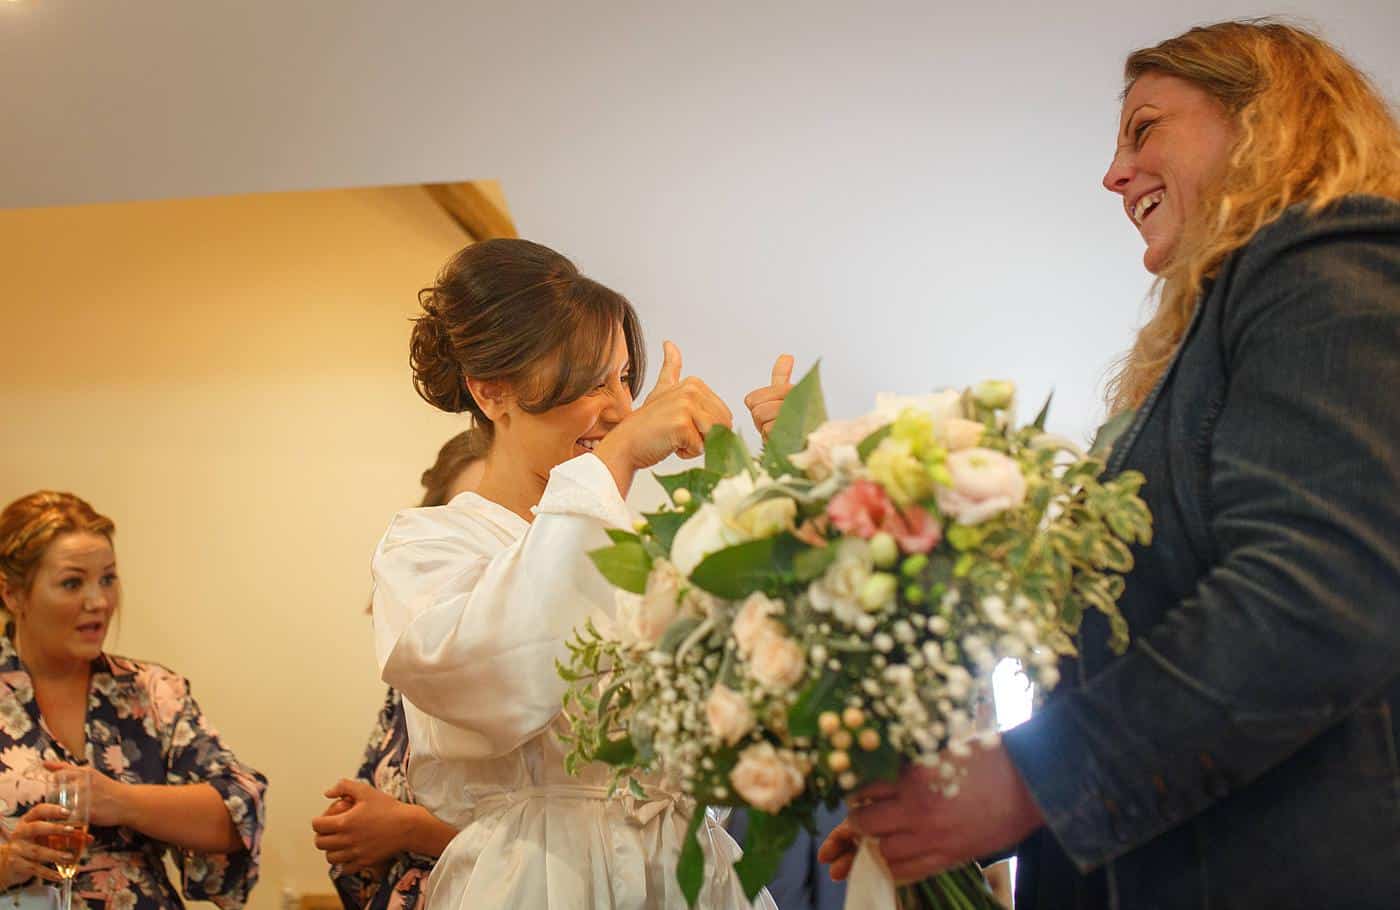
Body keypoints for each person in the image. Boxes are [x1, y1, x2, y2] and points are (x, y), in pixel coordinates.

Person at [821, 18, 1400, 909]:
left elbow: (1321, 591)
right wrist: (959, 814)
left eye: (1145, 128)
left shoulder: (1327, 255)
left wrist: (1027, 782)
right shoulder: (1209, 343)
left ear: (1263, 117)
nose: (1114, 173)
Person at [371, 238, 790, 908]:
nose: (621, 409)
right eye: (593, 382)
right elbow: (495, 679)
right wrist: (616, 458)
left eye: (624, 379)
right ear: (492, 390)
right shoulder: (429, 546)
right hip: (543, 877)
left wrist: (790, 482)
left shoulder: (650, 547)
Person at [0, 491, 268, 910]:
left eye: (108, 579)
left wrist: (121, 802)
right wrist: (5, 865)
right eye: (72, 583)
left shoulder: (151, 692)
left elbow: (238, 808)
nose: (99, 602)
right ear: (12, 594)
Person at [312, 430, 489, 910]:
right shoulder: (412, 677)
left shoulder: (548, 671)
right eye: (465, 524)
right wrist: (354, 827)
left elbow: (562, 841)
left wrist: (408, 829)